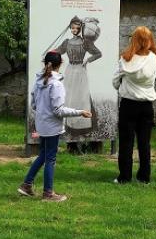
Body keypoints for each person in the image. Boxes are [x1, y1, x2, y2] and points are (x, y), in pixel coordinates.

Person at [18, 51, 92, 201]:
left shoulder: (38, 81)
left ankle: (26, 185)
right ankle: (48, 193)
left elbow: (34, 105)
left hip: (42, 125)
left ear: (45, 63)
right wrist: (80, 112)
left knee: (43, 155)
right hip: (51, 128)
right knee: (50, 159)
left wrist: (43, 113)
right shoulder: (56, 84)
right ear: (60, 64)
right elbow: (58, 110)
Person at [112, 26, 156, 184]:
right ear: (149, 40)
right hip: (146, 105)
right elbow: (154, 76)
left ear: (134, 39)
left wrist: (122, 85)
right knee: (144, 142)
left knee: (126, 142)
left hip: (128, 104)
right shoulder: (154, 58)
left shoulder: (126, 58)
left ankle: (124, 177)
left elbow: (115, 81)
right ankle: (144, 176)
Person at [54, 16, 102, 134]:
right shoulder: (67, 42)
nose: (74, 30)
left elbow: (98, 53)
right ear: (70, 28)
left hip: (80, 70)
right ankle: (69, 124)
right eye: (72, 27)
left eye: (77, 28)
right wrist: (50, 53)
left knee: (81, 95)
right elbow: (59, 50)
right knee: (69, 95)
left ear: (81, 29)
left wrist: (88, 60)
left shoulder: (85, 42)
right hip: (70, 70)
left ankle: (82, 125)